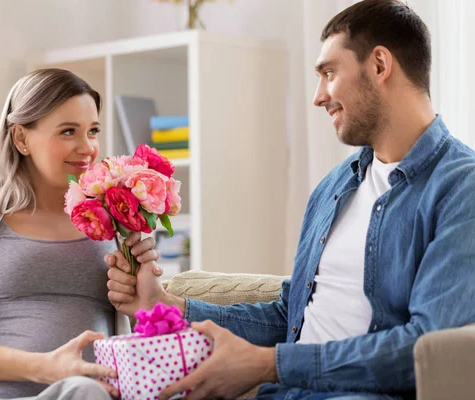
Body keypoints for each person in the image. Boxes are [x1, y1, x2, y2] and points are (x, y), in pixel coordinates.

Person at [105, 1, 475, 399]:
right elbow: (289, 316)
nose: (319, 97)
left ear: (380, 65)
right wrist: (168, 305)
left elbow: (426, 350)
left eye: (329, 73)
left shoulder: (460, 188)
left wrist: (270, 365)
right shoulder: (335, 186)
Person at [0, 68, 160, 400]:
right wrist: (45, 366)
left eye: (93, 131)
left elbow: (149, 344)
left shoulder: (118, 225)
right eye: (68, 131)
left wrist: (147, 301)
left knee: (85, 392)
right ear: (21, 139)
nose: (87, 147)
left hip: (81, 395)